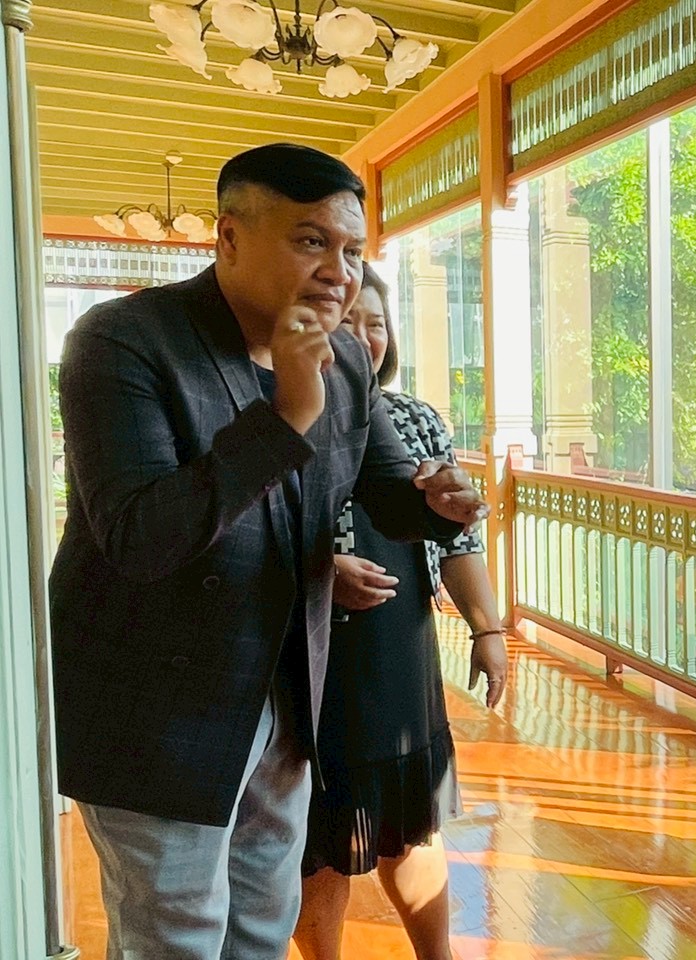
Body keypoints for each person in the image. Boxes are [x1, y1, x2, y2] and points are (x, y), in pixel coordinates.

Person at [51, 143, 484, 959]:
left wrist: (438, 501)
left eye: (352, 250)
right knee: (175, 932)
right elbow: (140, 536)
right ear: (229, 237)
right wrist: (287, 416)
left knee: (262, 916)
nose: (337, 272)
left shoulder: (344, 356)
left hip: (287, 686)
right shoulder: (124, 342)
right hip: (156, 702)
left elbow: (390, 488)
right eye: (310, 241)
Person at [293, 265, 510, 960]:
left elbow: (458, 540)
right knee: (318, 830)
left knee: (412, 819)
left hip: (399, 640)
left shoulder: (414, 417)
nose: (362, 338)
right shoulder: (279, 414)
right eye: (347, 322)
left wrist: (487, 628)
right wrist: (319, 576)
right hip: (307, 646)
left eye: (376, 324)